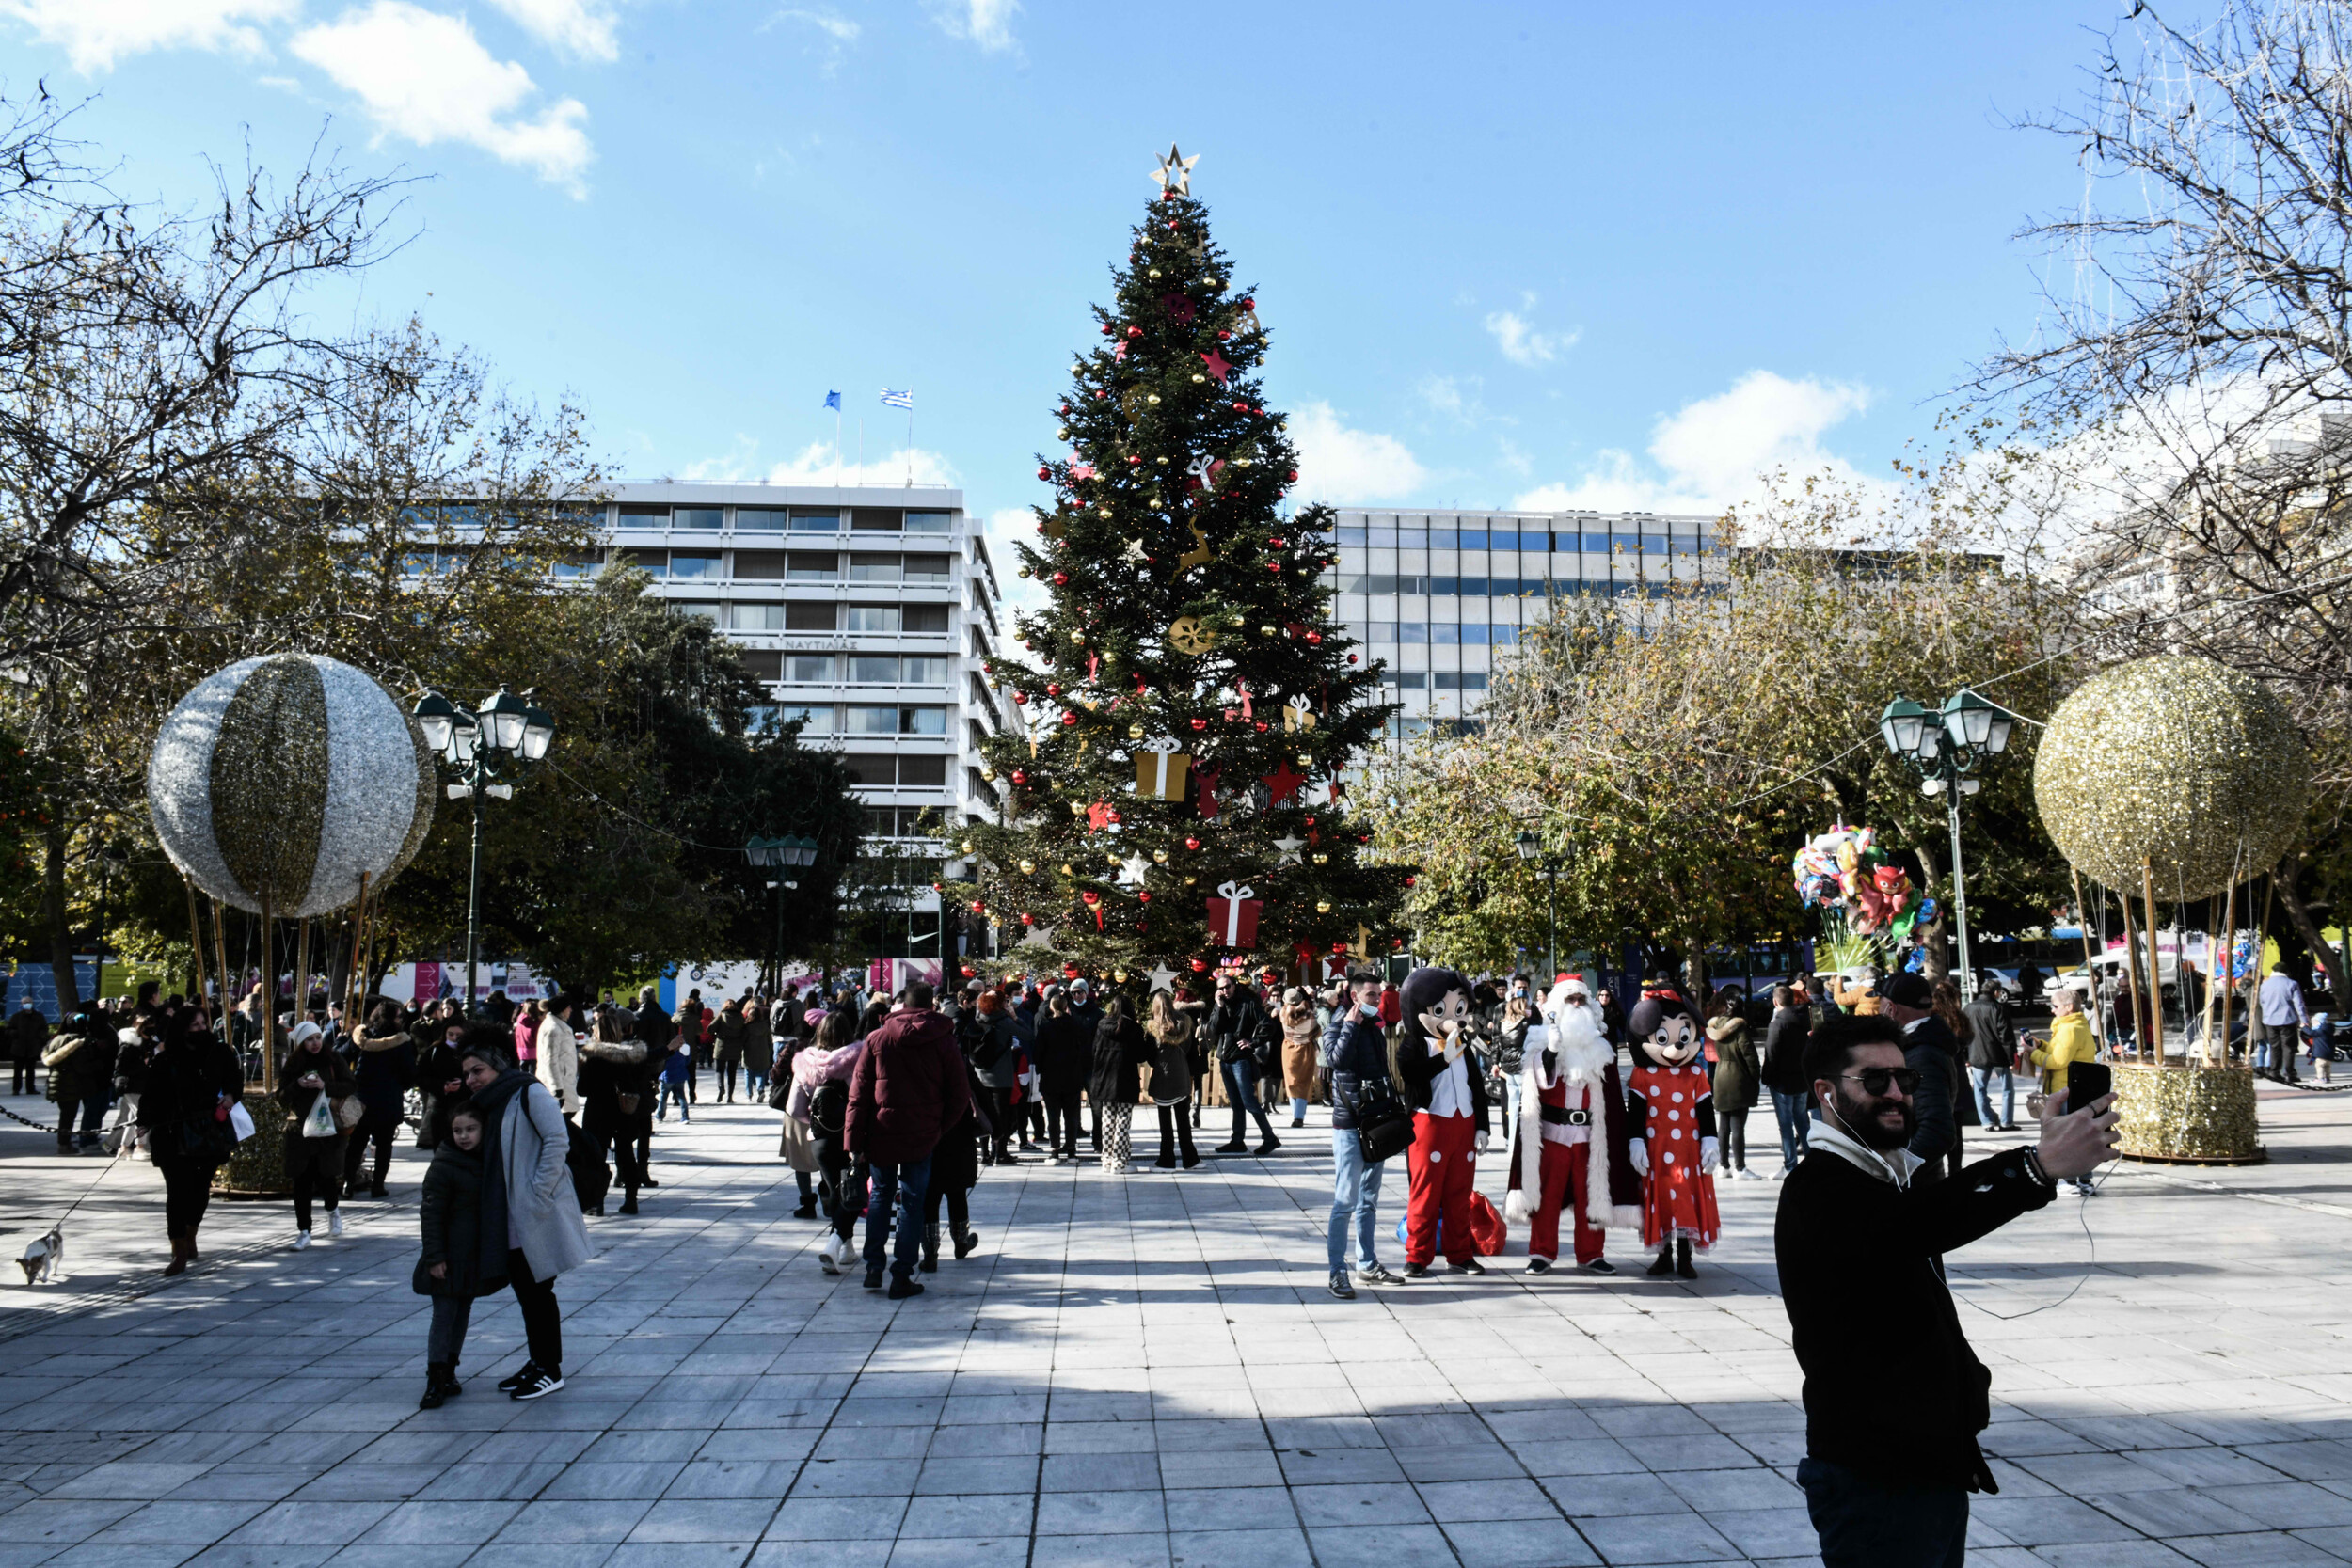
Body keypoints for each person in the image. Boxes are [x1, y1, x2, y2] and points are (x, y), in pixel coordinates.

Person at [1777, 1012, 2117, 1567]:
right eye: (1875, 1080)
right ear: (1826, 1092)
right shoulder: (1818, 1187)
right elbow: (1920, 1223)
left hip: (1925, 1466)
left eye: (1904, 1079)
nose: (1896, 1093)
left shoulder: (1884, 1175)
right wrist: (2036, 1167)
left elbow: (1921, 1220)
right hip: (1875, 1478)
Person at [459, 1033, 591, 1400]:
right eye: (467, 1073)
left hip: (532, 1212)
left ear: (497, 1065)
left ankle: (550, 1369)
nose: (471, 1079)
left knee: (538, 1293)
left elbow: (557, 1140)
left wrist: (537, 1191)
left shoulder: (528, 1092)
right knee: (528, 1293)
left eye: (478, 1070)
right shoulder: (488, 1102)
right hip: (508, 1213)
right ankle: (538, 1362)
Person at [1505, 978, 1641, 1278]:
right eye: (1571, 1000)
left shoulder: (1600, 1046)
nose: (1577, 1005)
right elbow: (1536, 1080)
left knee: (1592, 1196)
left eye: (1581, 1000)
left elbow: (1611, 1097)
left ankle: (1591, 1254)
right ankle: (1541, 1253)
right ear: (1558, 1004)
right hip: (1552, 1134)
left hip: (1589, 1137)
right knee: (1546, 1197)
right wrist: (1551, 1051)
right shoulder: (1540, 1038)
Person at [846, 981, 969, 1297]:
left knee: (880, 1196)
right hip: (923, 1133)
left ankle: (874, 1267)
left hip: (882, 1130)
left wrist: (853, 1142)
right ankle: (902, 1274)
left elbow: (858, 1095)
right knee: (913, 1202)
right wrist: (939, 1128)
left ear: (902, 1004)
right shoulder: (943, 1039)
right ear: (931, 1005)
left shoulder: (877, 1038)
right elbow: (959, 1093)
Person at [1394, 966, 1491, 1277]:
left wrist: (1482, 1126)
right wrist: (1443, 1059)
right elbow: (1411, 1074)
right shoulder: (1413, 1044)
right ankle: (1417, 1255)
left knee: (1459, 1195)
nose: (1454, 1018)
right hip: (1429, 1125)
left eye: (1459, 1009)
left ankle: (1460, 1253)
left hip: (1463, 1124)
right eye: (1441, 1011)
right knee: (1425, 1194)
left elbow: (1476, 1088)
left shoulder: (1464, 1046)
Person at [137, 1005, 245, 1275]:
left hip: (208, 1131)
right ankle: (179, 1250)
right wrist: (144, 1122)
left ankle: (190, 1233)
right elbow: (151, 1094)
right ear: (182, 1028)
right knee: (176, 1192)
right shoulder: (166, 1058)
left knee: (199, 1190)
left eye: (203, 1024)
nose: (201, 1029)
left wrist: (230, 1096)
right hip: (172, 1133)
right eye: (194, 1025)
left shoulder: (219, 1052)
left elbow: (234, 1080)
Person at [413, 1100, 500, 1410]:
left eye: (470, 1129)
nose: (464, 1136)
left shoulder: (488, 1160)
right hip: (447, 1256)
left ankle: (449, 1371)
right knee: (443, 1315)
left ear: (484, 1130)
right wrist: (435, 1257)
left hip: (471, 1256)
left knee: (462, 1313)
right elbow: (431, 1214)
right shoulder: (444, 1165)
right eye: (457, 1130)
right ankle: (435, 1379)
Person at [1322, 969, 1401, 1298]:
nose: (1377, 1001)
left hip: (1376, 1123)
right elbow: (1336, 1061)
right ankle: (1337, 1271)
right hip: (1349, 1126)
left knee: (1369, 1200)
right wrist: (1351, 1025)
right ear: (1354, 997)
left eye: (1379, 995)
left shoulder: (1374, 1028)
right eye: (1371, 995)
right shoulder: (1338, 1026)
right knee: (1345, 1201)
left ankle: (1366, 1263)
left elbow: (1383, 1073)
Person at [794, 1011, 866, 1275]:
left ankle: (846, 1247)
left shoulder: (805, 1063)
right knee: (855, 1188)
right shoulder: (858, 1058)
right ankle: (836, 1244)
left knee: (836, 1189)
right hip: (852, 1136)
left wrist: (814, 1123)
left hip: (821, 1139)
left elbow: (794, 1108)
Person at [1876, 973, 1959, 1186]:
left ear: (1891, 1009)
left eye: (1879, 1003)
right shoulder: (1922, 1043)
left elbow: (1937, 1130)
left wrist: (1895, 1174)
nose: (1877, 1009)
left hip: (1916, 1189)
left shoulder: (1922, 1055)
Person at [278, 1020, 355, 1249]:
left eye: (318, 1038)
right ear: (300, 1043)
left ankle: (333, 1211)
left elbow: (351, 1085)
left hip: (327, 1129)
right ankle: (304, 1231)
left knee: (326, 1177)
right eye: (309, 1039)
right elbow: (281, 1098)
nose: (315, 1043)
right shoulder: (293, 1065)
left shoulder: (333, 1059)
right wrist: (298, 1085)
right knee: (301, 1181)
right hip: (300, 1131)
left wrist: (325, 1086)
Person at [580, 1002, 650, 1215]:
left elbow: (582, 1089)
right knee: (626, 1155)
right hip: (623, 1112)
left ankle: (597, 1203)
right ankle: (631, 1200)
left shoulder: (592, 1057)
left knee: (596, 1157)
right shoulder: (629, 1057)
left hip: (597, 1114)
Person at [2029, 990, 2102, 1196]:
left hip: (2066, 1090)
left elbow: (2057, 1061)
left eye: (2055, 1006)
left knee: (2067, 1137)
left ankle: (2070, 1181)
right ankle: (2084, 1181)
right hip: (2074, 1089)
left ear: (2069, 1007)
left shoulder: (2070, 1029)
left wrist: (2033, 1054)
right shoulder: (2074, 1026)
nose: (2052, 1010)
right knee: (2079, 1136)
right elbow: (2060, 1052)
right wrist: (2041, 1045)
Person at [344, 1002, 414, 1199]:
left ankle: (348, 1184)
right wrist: (402, 1085)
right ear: (392, 1019)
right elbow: (409, 1073)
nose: (400, 1019)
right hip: (387, 1101)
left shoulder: (362, 1037)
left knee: (356, 1144)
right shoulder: (401, 1042)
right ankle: (378, 1186)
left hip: (362, 1100)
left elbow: (341, 1055)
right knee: (384, 1146)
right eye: (398, 1016)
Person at [1207, 974, 1278, 1155]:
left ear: (1234, 985)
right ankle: (1237, 1141)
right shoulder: (1220, 1005)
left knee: (1249, 1102)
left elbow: (1268, 1025)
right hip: (1225, 1059)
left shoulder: (1248, 1004)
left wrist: (1252, 1042)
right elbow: (1215, 1029)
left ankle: (1270, 1138)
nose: (1225, 991)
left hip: (1240, 1059)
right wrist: (1219, 1006)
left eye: (1227, 986)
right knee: (1236, 1103)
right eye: (1221, 988)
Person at [1089, 991, 1153, 1174]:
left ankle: (1107, 1159)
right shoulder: (1134, 1029)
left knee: (1108, 1120)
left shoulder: (1101, 1026)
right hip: (1126, 1079)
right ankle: (1119, 1160)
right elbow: (1141, 1056)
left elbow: (1094, 1051)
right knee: (1123, 1121)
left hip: (1104, 1079)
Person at [1705, 992, 1762, 1180]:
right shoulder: (1739, 1029)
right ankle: (1740, 1167)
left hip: (1721, 1075)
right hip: (1738, 1078)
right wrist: (1755, 1077)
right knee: (1737, 1127)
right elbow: (1750, 1057)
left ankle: (1724, 1165)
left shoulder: (1716, 1026)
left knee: (1724, 1126)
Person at [42, 1005, 113, 1153]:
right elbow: (81, 1066)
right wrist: (98, 1064)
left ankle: (64, 1142)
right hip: (71, 1084)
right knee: (68, 1116)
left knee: (65, 1115)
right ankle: (64, 1144)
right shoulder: (76, 1041)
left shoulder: (57, 1039)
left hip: (57, 1081)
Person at [1144, 990, 1200, 1169]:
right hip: (1181, 1075)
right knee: (1183, 1121)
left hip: (1163, 1077)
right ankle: (1190, 1159)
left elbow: (1150, 1058)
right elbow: (1192, 1051)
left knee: (1165, 1122)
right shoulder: (1185, 1024)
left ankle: (1166, 1159)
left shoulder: (1152, 1028)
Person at [965, 989, 1022, 1164]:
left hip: (980, 1074)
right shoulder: (1005, 1022)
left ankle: (984, 1154)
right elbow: (1028, 1034)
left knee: (982, 1113)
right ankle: (1000, 1152)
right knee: (1001, 1115)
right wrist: (1015, 1017)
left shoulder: (976, 1020)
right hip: (1001, 1075)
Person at [1033, 989, 1089, 1163]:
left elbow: (1038, 1052)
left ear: (1051, 1007)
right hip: (1072, 1076)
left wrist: (1040, 1070)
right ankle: (1071, 1150)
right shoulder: (1076, 1025)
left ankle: (1055, 1150)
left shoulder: (1045, 1027)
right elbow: (1083, 1049)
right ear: (1066, 1007)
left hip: (1051, 1077)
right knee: (1071, 1116)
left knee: (1053, 1116)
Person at [1963, 984, 2019, 1132]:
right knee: (2007, 1089)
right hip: (1999, 1055)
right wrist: (2011, 1058)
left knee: (1979, 1089)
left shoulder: (1969, 1008)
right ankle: (2006, 1122)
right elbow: (2005, 1035)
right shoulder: (1998, 1008)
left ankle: (1986, 1121)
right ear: (1996, 992)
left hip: (1977, 1054)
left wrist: (1966, 1056)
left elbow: (1963, 1033)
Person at [2258, 964, 2310, 1083]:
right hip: (2287, 1019)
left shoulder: (2264, 985)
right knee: (2289, 1047)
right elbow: (2299, 1004)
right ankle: (2290, 1073)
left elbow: (2262, 1002)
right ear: (2286, 972)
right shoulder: (2292, 984)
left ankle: (2274, 1071)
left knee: (2274, 1047)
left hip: (2269, 1020)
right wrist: (2304, 1020)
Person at [656, 1020, 694, 1122]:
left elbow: (661, 1060)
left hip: (668, 1075)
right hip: (680, 1074)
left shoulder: (667, 1044)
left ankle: (660, 1115)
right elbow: (688, 1060)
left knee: (663, 1097)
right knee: (681, 1096)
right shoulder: (683, 1044)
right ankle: (685, 1116)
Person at [713, 997, 748, 1104]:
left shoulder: (721, 1015)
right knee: (732, 1072)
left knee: (719, 1070)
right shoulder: (740, 1017)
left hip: (721, 1044)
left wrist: (717, 1031)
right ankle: (730, 1096)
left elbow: (710, 1028)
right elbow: (744, 1031)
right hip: (735, 1045)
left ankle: (721, 1087)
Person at [8, 996, 44, 1095]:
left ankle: (30, 1089)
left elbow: (44, 1029)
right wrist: (14, 1033)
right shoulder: (16, 1017)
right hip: (19, 1048)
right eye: (25, 1002)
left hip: (33, 1047)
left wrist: (39, 1036)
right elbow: (9, 1029)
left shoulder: (38, 1016)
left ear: (32, 1003)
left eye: (29, 1002)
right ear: (22, 1004)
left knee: (31, 1070)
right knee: (17, 1071)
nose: (27, 1004)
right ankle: (16, 1089)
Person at [744, 997, 775, 1103]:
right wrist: (768, 1049)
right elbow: (769, 1041)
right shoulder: (765, 1026)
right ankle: (760, 1089)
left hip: (749, 1051)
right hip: (763, 1051)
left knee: (748, 1073)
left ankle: (749, 1093)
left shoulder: (746, 1027)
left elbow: (743, 1040)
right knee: (760, 1072)